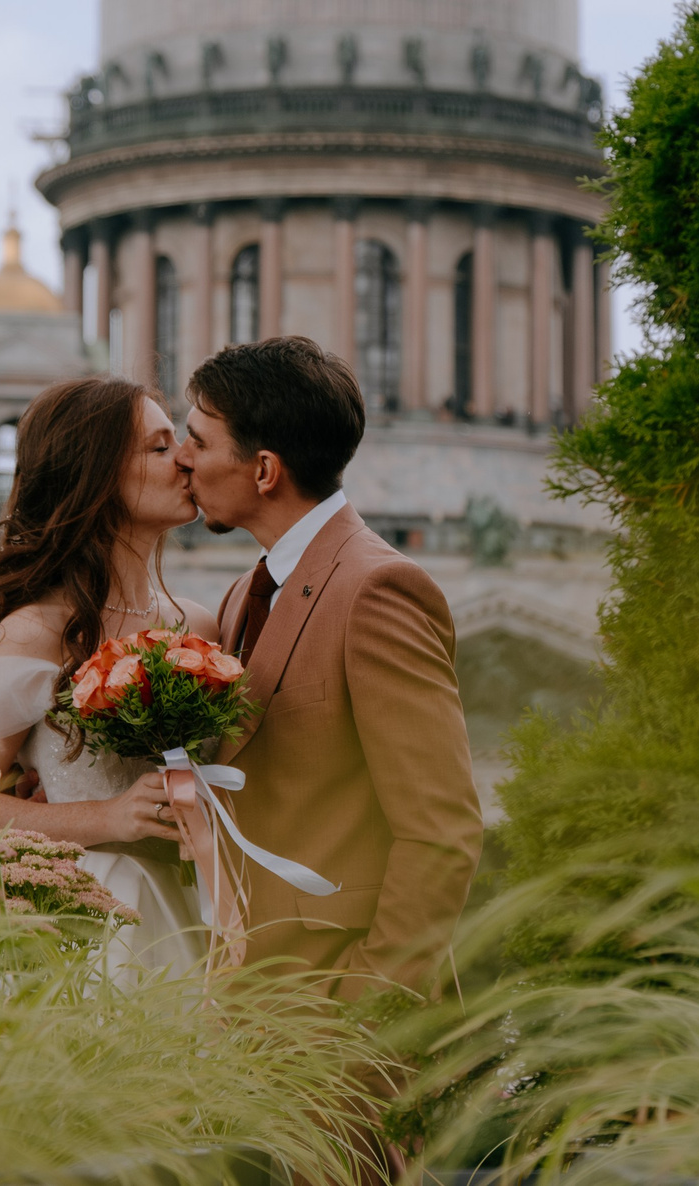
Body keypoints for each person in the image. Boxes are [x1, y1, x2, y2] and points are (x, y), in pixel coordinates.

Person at [172, 336, 482, 999]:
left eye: (197, 440)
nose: (181, 458)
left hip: (337, 1024)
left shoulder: (378, 590)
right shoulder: (241, 595)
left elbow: (441, 832)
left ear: (263, 470)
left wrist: (359, 1010)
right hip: (247, 1005)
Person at [0, 374, 217, 981]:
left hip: (198, 910)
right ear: (96, 472)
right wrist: (107, 818)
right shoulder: (35, 631)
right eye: (160, 447)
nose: (186, 460)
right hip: (88, 919)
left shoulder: (201, 626)